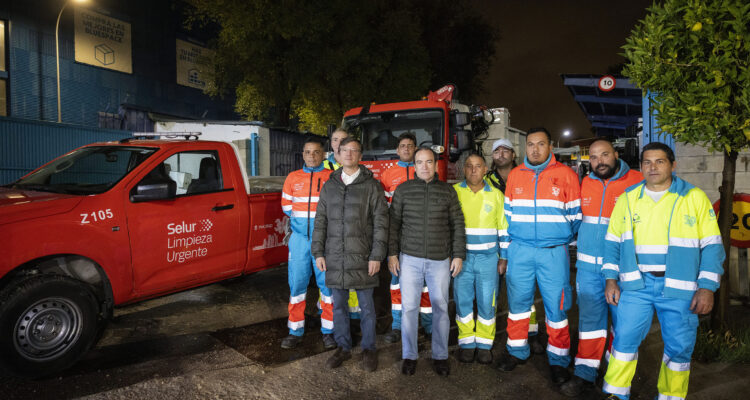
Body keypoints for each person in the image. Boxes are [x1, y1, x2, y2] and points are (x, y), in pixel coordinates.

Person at [600, 142, 724, 400]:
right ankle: (615, 394)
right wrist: (610, 279)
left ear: (673, 165)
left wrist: (707, 288)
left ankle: (670, 396)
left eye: (659, 161)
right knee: (623, 341)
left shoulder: (694, 197)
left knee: (679, 349)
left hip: (680, 287)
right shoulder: (628, 199)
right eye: (647, 162)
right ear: (641, 166)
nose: (652, 167)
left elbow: (713, 247)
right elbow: (611, 243)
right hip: (636, 286)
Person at [559, 139, 643, 397]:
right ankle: (585, 373)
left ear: (615, 154)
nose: (599, 161)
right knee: (590, 324)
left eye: (604, 155)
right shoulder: (586, 182)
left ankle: (617, 382)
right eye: (594, 157)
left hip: (622, 270)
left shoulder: (637, 181)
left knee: (623, 326)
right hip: (587, 269)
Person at [498, 127, 581, 386]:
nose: (534, 149)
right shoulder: (515, 175)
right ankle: (517, 351)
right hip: (520, 251)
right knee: (518, 307)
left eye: (540, 144)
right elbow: (508, 213)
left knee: (557, 308)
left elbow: (576, 218)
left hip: (552, 253)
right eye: (530, 144)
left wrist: (557, 239)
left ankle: (558, 361)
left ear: (550, 147)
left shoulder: (566, 175)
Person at [312, 137, 388, 372]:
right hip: (334, 255)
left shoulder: (371, 186)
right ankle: (343, 347)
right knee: (339, 307)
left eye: (354, 150)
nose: (348, 154)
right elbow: (321, 220)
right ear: (338, 154)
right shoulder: (330, 185)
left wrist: (377, 255)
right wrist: (318, 251)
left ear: (360, 155)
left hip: (363, 256)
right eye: (344, 150)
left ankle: (369, 349)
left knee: (367, 307)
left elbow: (381, 223)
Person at [388, 147, 465, 377]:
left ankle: (440, 356)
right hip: (409, 259)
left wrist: (458, 254)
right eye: (420, 162)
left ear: (435, 164)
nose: (424, 166)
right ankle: (409, 355)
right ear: (414, 165)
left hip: (439, 260)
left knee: (441, 308)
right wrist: (392, 254)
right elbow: (394, 224)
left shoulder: (447, 191)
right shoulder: (403, 191)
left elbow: (457, 224)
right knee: (409, 308)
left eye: (429, 162)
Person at [485, 138, 544, 355]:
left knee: (524, 294)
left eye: (506, 150)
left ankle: (531, 333)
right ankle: (488, 336)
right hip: (494, 244)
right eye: (496, 150)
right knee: (491, 294)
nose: (501, 154)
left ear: (513, 154)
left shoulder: (525, 176)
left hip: (520, 243)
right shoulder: (485, 180)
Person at [280, 137, 336, 349]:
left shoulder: (332, 177)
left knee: (327, 287)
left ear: (323, 154)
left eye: (316, 152)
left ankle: (329, 331)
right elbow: (286, 206)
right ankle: (295, 330)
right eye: (307, 152)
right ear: (302, 155)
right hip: (299, 241)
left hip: (325, 242)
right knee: (297, 286)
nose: (311, 156)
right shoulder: (293, 178)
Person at [454, 154, 509, 365]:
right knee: (463, 301)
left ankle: (485, 344)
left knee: (488, 302)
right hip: (462, 259)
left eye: (478, 166)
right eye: (469, 166)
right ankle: (467, 343)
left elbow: (504, 229)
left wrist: (503, 257)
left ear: (485, 169)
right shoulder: (455, 192)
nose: (473, 170)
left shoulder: (496, 195)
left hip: (488, 260)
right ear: (463, 169)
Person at [380, 132, 433, 344]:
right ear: (397, 150)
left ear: (416, 149)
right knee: (397, 283)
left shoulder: (425, 171)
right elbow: (384, 209)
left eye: (410, 146)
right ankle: (397, 325)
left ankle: (428, 326)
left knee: (426, 284)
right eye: (402, 146)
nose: (406, 149)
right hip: (398, 237)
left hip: (424, 237)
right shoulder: (388, 175)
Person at [322, 128, 361, 323]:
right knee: (330, 284)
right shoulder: (323, 168)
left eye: (343, 140)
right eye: (335, 140)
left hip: (352, 236)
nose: (338, 144)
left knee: (353, 283)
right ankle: (332, 324)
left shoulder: (355, 167)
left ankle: (353, 319)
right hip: (332, 233)